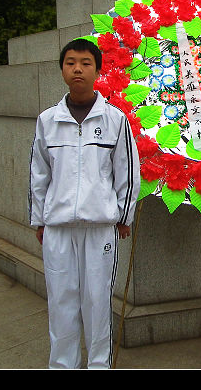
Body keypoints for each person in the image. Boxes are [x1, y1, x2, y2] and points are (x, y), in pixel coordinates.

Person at [29, 37, 140, 369]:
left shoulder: (115, 120)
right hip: (58, 228)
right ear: (62, 69)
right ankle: (63, 364)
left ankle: (98, 364)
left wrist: (124, 216)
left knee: (97, 301)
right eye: (71, 63)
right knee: (61, 301)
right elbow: (38, 173)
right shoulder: (48, 120)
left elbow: (127, 171)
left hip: (100, 227)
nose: (77, 69)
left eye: (85, 63)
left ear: (97, 70)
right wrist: (39, 220)